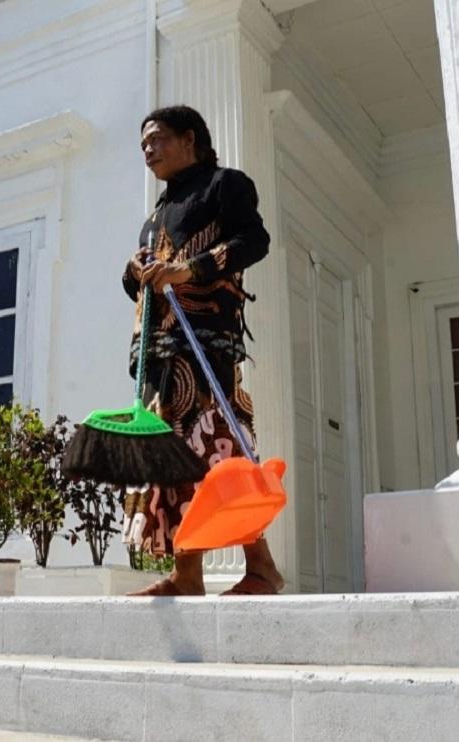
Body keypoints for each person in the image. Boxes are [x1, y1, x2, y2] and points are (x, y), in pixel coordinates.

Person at [122, 105, 285, 596]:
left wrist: (187, 270)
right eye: (143, 145)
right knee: (171, 462)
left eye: (156, 139)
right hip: (159, 352)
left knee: (219, 452)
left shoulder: (225, 185)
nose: (148, 150)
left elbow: (253, 241)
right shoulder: (154, 217)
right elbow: (136, 287)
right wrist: (135, 270)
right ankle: (186, 574)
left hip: (207, 346)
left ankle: (261, 566)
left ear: (189, 139)